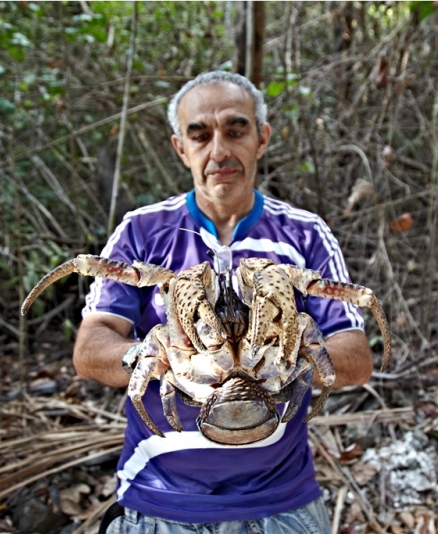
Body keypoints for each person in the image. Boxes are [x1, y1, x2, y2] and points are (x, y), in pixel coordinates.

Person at [74, 71, 374, 534]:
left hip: (281, 499)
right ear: (180, 148)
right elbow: (91, 348)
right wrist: (159, 357)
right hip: (159, 499)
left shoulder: (304, 234)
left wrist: (284, 354)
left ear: (262, 138)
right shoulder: (141, 231)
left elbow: (354, 356)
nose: (219, 151)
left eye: (236, 130)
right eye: (200, 135)